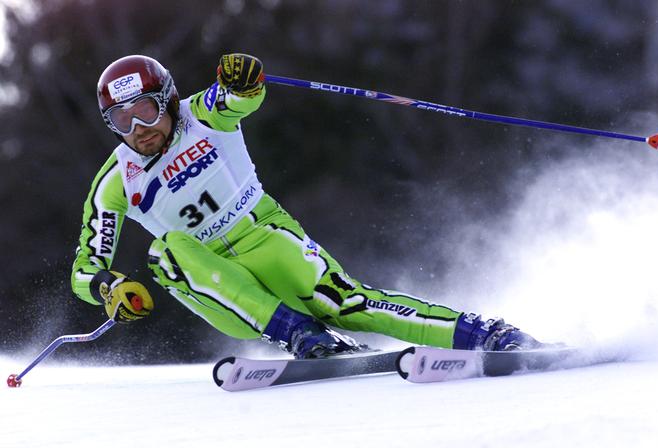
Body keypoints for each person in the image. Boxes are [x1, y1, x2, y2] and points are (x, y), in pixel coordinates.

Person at [71, 53, 541, 359]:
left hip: (265, 234)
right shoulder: (115, 180)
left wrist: (245, 77)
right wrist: (107, 287)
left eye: (147, 111)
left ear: (169, 100)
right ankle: (298, 333)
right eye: (121, 119)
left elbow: (241, 96)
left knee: (347, 302)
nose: (138, 129)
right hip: (211, 277)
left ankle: (483, 334)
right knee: (166, 252)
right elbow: (85, 268)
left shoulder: (202, 113)